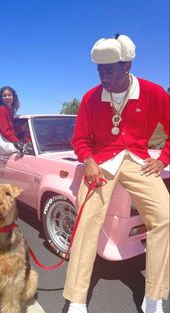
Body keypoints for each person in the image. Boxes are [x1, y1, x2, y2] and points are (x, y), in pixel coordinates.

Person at [63, 34, 169, 313]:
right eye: (99, 70)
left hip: (138, 161)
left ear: (127, 66)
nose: (102, 76)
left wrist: (164, 158)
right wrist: (87, 159)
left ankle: (154, 296)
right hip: (101, 163)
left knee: (164, 218)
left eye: (108, 70)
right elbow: (80, 140)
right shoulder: (89, 98)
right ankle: (76, 298)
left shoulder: (154, 92)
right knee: (86, 222)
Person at [0, 86, 23, 155]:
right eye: (4, 96)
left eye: (9, 95)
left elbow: (12, 129)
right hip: (1, 138)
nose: (7, 97)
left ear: (13, 97)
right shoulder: (1, 110)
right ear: (1, 98)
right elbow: (5, 130)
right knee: (20, 150)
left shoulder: (11, 111)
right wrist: (16, 141)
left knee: (24, 148)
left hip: (8, 138)